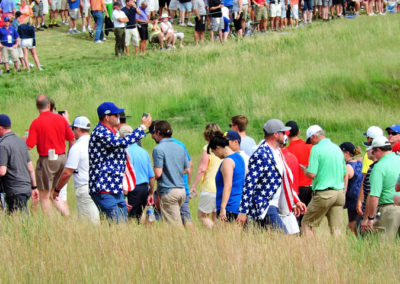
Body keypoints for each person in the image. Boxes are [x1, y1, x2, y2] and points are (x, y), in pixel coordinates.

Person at [237, 119, 306, 233]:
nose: (285, 136)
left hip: (274, 204)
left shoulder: (278, 152)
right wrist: (243, 211)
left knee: (263, 241)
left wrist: (295, 201)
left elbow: (284, 181)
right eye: (283, 133)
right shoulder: (260, 154)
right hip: (264, 205)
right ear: (276, 134)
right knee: (283, 237)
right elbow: (249, 183)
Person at [89, 102, 151, 223]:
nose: (119, 117)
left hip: (115, 187)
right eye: (115, 114)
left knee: (121, 224)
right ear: (107, 117)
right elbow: (120, 143)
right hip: (104, 187)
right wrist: (142, 128)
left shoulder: (111, 132)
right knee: (118, 224)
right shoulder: (100, 132)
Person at [25, 94, 75, 216]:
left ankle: (51, 224)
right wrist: (69, 155)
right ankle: (67, 215)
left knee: (44, 196)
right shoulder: (61, 119)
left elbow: (29, 145)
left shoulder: (36, 123)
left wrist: (22, 140)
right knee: (54, 193)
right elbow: (71, 138)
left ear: (37, 106)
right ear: (49, 105)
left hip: (47, 160)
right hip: (62, 158)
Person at [53, 116, 100, 224]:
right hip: (99, 187)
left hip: (85, 188)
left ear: (78, 129)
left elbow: (67, 172)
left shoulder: (77, 147)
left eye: (73, 128)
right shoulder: (96, 143)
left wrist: (57, 190)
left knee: (88, 224)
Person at [300, 125, 346, 236]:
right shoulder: (336, 148)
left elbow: (312, 174)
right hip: (339, 193)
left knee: (306, 224)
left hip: (324, 193)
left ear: (314, 136)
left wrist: (305, 170)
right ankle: (338, 250)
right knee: (336, 229)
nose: (311, 143)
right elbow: (344, 173)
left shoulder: (316, 149)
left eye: (310, 140)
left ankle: (311, 251)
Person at [151, 120, 190, 226]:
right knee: (178, 221)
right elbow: (187, 168)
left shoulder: (158, 149)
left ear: (158, 132)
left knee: (175, 227)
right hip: (182, 191)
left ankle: (182, 242)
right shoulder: (180, 147)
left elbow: (158, 173)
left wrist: (151, 174)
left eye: (154, 132)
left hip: (168, 191)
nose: (153, 135)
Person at [361, 136, 400, 240]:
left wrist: (370, 218)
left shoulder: (379, 167)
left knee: (382, 245)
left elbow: (374, 196)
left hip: (388, 209)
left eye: (373, 152)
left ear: (377, 150)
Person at [0, 114, 39, 214]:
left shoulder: (3, 145)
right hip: (26, 189)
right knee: (14, 221)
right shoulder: (21, 142)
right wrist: (34, 187)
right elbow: (30, 167)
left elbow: (2, 171)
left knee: (20, 222)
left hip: (14, 190)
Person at [190, 123, 223, 228]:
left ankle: (215, 231)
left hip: (210, 187)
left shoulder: (207, 148)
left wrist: (193, 185)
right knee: (215, 216)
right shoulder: (224, 147)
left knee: (202, 216)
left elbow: (202, 169)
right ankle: (220, 236)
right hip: (222, 187)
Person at [120, 127, 155, 223]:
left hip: (131, 190)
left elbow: (124, 176)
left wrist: (125, 197)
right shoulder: (144, 152)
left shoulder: (123, 152)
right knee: (138, 217)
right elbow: (151, 176)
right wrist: (151, 193)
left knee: (130, 219)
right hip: (144, 189)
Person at [207, 135, 245, 222]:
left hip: (228, 207)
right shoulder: (239, 158)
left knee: (222, 235)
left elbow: (228, 185)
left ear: (218, 148)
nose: (216, 155)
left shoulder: (227, 162)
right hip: (238, 205)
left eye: (214, 152)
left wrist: (223, 208)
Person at [285, 120, 312, 226]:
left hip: (297, 189)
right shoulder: (310, 147)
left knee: (296, 219)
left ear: (286, 134)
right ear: (299, 132)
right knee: (308, 222)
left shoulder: (287, 151)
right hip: (311, 186)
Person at [340, 142, 362, 236]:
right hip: (360, 197)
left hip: (353, 200)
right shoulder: (359, 163)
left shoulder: (347, 167)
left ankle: (354, 247)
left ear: (347, 153)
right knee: (356, 225)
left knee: (351, 228)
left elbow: (344, 187)